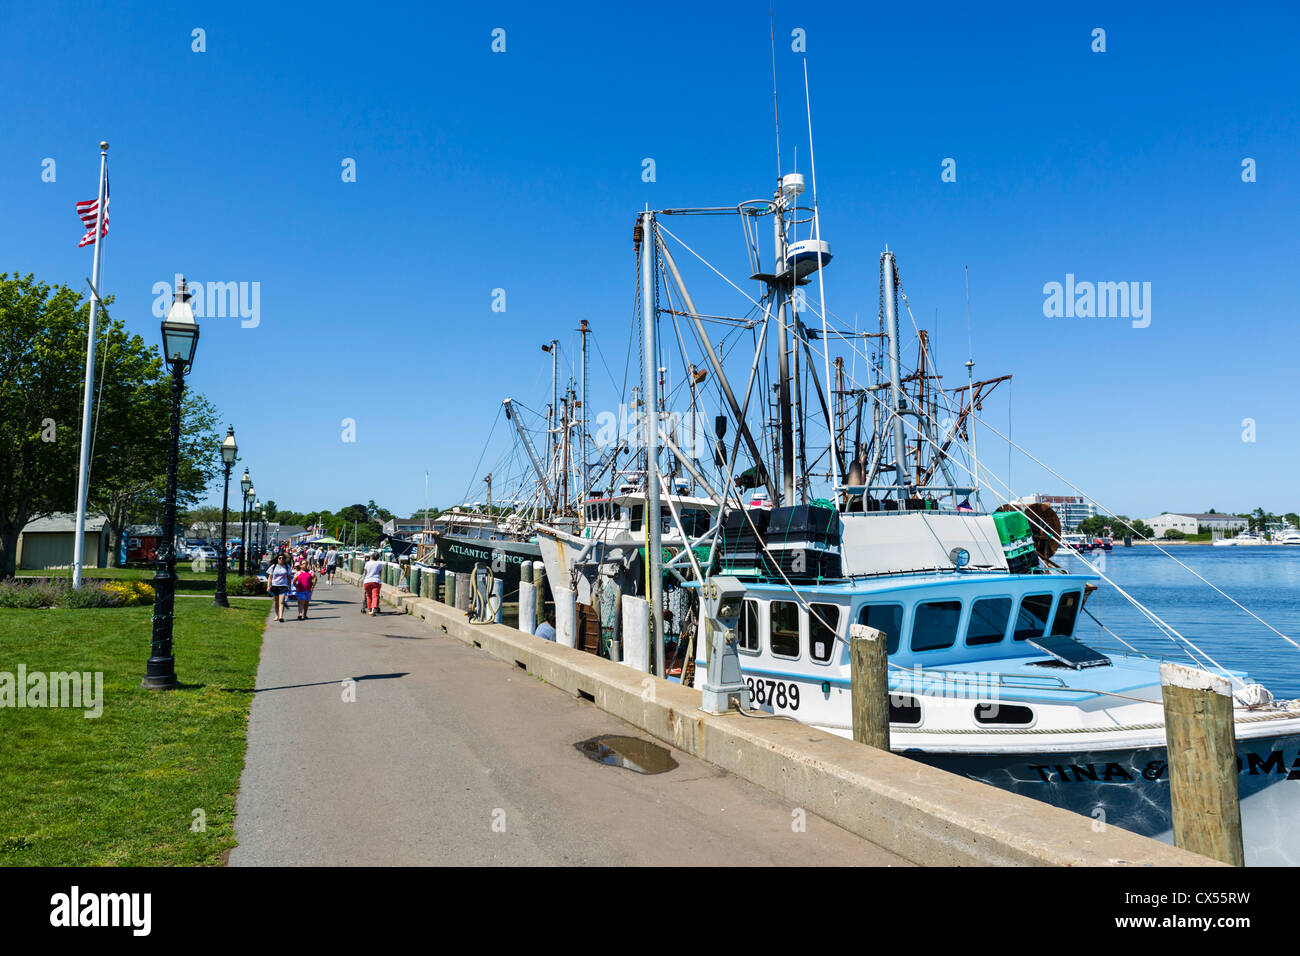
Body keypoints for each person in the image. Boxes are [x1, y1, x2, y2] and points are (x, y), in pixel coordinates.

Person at [267, 553, 291, 623]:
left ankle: (281, 616)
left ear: (284, 559)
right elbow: (270, 577)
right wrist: (268, 586)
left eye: (283, 558)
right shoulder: (273, 566)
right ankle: (277, 615)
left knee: (282, 602)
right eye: (279, 558)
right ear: (277, 559)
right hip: (275, 586)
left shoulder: (287, 566)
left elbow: (289, 577)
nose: (281, 559)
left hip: (283, 585)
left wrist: (289, 586)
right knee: (276, 602)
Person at [362, 551, 383, 616]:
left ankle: (370, 609)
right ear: (378, 557)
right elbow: (380, 573)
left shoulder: (367, 563)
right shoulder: (379, 564)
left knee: (368, 595)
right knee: (375, 596)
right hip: (376, 581)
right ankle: (373, 610)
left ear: (372, 556)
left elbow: (365, 572)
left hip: (367, 581)